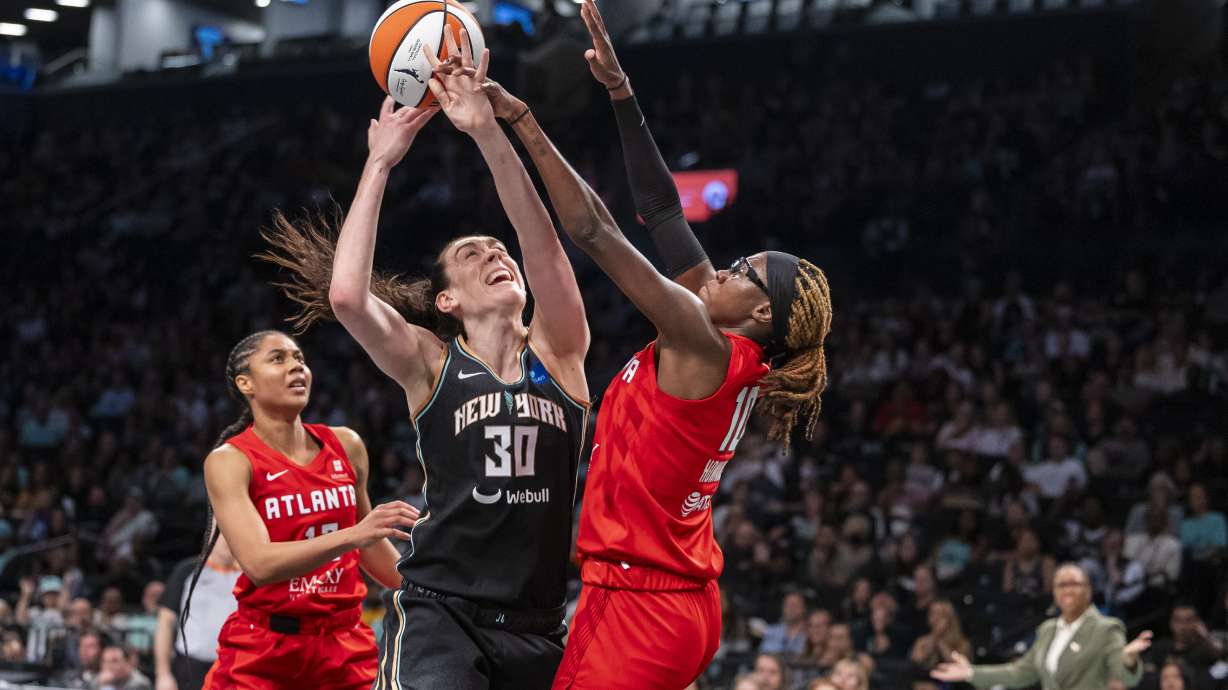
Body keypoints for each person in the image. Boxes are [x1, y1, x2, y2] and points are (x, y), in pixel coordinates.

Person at [458, 3, 829, 687]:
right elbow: (660, 210)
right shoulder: (718, 337)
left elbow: (595, 231)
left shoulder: (699, 338)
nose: (723, 270)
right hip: (675, 598)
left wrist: (523, 120)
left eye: (742, 273)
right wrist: (621, 92)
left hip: (641, 606)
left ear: (761, 314)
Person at [262, 32, 590, 689]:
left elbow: (542, 243)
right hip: (442, 614)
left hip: (537, 626)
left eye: (499, 250)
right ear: (447, 300)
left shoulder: (559, 352)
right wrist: (380, 163)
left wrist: (488, 131)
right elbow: (347, 296)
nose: (496, 255)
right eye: (474, 254)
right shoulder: (432, 364)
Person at [194, 331, 417, 689]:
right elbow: (260, 565)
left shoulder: (346, 445)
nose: (296, 366)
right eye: (278, 358)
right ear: (245, 383)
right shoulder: (230, 461)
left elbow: (370, 545)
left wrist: (430, 589)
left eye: (299, 358)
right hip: (265, 649)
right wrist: (353, 535)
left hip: (344, 645)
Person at [931, 563, 1152, 689]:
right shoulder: (1048, 630)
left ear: (1088, 590)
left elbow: (1125, 676)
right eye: (1060, 585)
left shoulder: (1106, 628)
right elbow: (1020, 673)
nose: (1067, 590)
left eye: (1074, 584)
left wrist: (1128, 659)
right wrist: (971, 672)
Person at [155, 530, 240, 690]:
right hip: (189, 668)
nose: (227, 542)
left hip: (234, 667)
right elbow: (165, 623)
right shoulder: (187, 571)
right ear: (208, 538)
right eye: (222, 535)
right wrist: (163, 674)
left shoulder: (251, 575)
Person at [760, 591, 809, 656]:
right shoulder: (771, 631)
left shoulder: (811, 632)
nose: (791, 608)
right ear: (783, 608)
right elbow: (764, 655)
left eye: (796, 605)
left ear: (804, 608)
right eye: (788, 605)